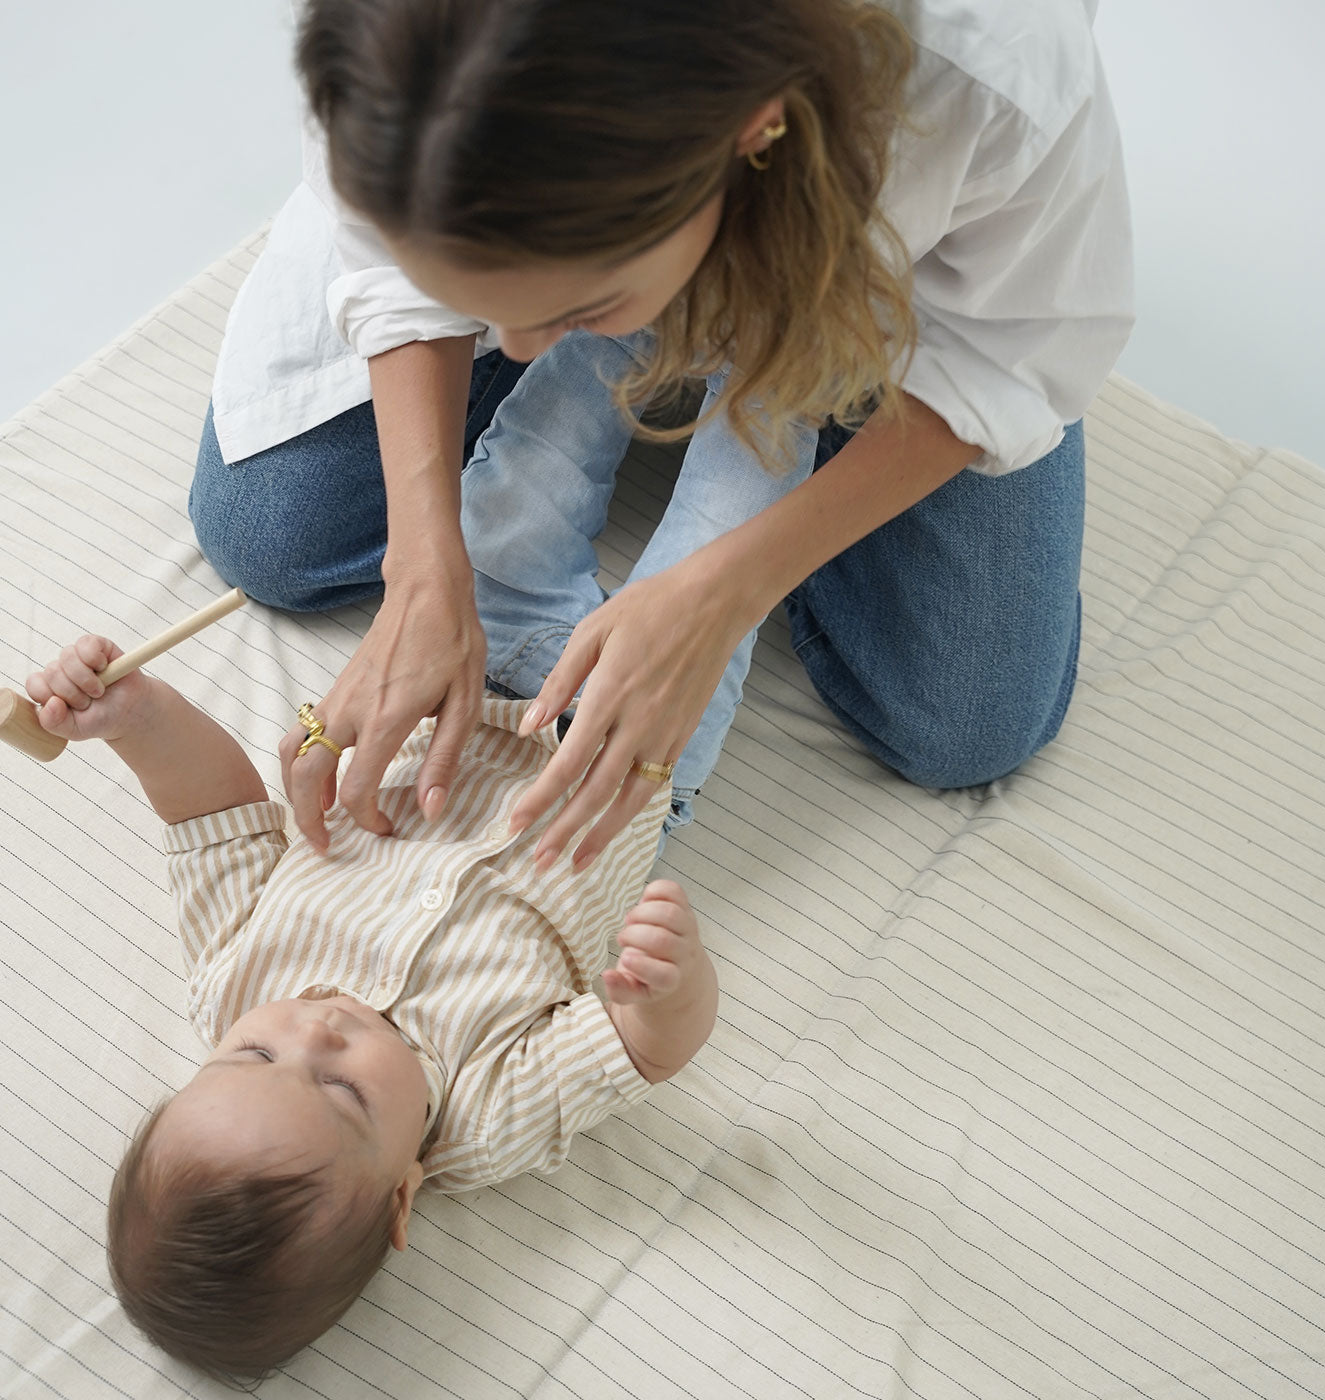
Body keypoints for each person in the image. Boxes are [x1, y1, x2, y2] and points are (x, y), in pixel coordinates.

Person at [191, 0, 1132, 872]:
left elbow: (1010, 351)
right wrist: (424, 564)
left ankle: (760, 340)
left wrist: (727, 590)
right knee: (271, 529)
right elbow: (373, 229)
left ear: (754, 132)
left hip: (925, 271)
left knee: (964, 724)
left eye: (581, 302)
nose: (512, 351)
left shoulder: (990, 65)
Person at [25, 635, 716, 1381]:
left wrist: (139, 719)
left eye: (253, 1054)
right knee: (715, 567)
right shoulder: (485, 1117)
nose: (313, 1033)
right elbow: (640, 1049)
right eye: (342, 1090)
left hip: (450, 672)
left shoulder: (229, 984)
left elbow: (211, 812)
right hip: (635, 751)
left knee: (516, 528)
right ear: (400, 1200)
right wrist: (672, 988)